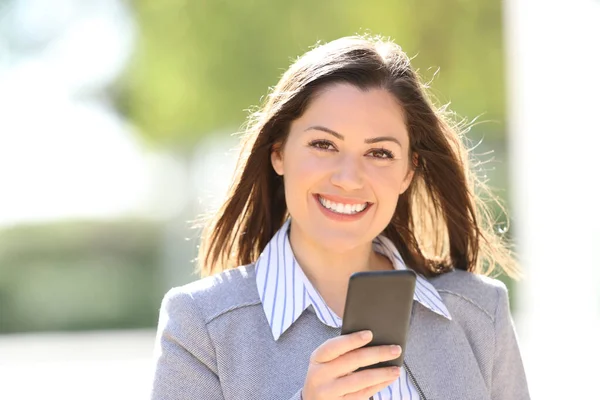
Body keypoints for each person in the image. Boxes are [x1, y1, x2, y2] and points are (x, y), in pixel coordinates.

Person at [150, 35, 530, 400]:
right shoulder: (201, 325)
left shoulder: (481, 312)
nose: (348, 179)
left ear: (408, 172)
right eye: (323, 144)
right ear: (278, 152)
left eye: (379, 153)